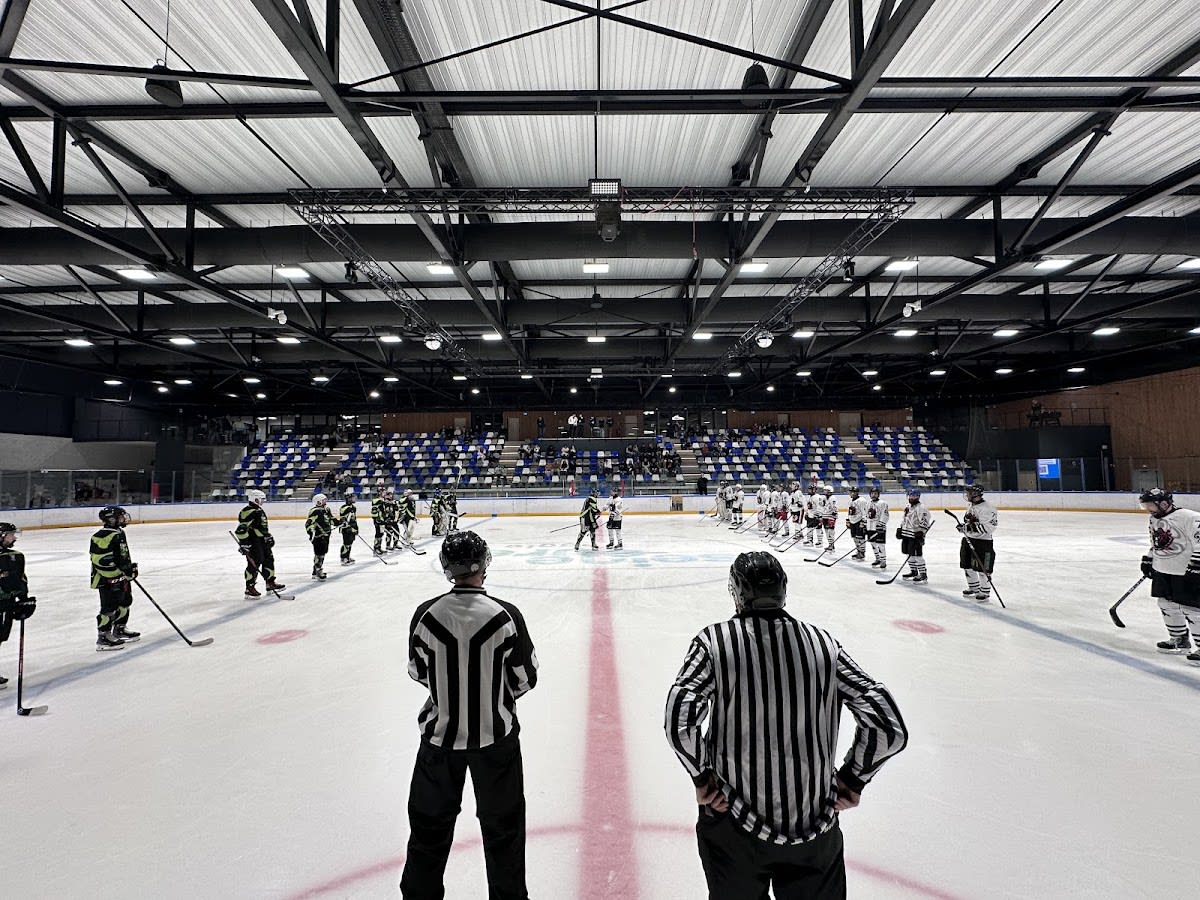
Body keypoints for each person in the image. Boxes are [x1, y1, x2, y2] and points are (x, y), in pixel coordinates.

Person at [664, 551, 908, 899]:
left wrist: (702, 777)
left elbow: (679, 718)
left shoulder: (714, 642)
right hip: (814, 832)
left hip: (734, 826)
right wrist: (854, 778)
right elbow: (887, 723)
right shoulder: (824, 645)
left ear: (736, 592)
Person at [400, 532, 538, 900]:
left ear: (448, 569)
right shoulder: (506, 615)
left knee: (428, 834)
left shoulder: (426, 614)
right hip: (496, 742)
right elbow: (525, 679)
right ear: (484, 564)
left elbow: (417, 672)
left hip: (438, 744)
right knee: (504, 834)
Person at [1138, 487, 1200, 663]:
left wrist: (1197, 564)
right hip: (1164, 570)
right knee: (1166, 604)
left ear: (1164, 503)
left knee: (1192, 609)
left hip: (1186, 572)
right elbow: (1156, 542)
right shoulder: (1154, 519)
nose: (1149, 509)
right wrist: (1149, 559)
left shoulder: (1189, 517)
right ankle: (1179, 640)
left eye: (1151, 505)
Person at [90, 505, 140, 649]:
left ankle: (119, 629)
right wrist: (115, 575)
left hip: (120, 577)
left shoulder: (119, 532)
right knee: (108, 607)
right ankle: (103, 637)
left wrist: (128, 569)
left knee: (125, 601)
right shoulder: (102, 536)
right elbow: (101, 561)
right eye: (121, 516)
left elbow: (121, 556)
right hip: (107, 580)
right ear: (111, 519)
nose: (124, 519)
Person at [0, 522, 37, 686]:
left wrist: (24, 599)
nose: (14, 537)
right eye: (10, 534)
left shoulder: (16, 556)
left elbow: (21, 579)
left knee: (0, 636)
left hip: (6, 604)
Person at [235, 489, 286, 599]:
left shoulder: (257, 510)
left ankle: (270, 583)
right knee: (254, 563)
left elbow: (260, 527)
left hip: (262, 542)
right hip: (254, 542)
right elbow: (241, 529)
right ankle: (249, 587)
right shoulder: (248, 511)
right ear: (256, 499)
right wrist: (244, 543)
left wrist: (267, 536)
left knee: (269, 560)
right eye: (262, 499)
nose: (263, 501)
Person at [958, 485, 999, 603]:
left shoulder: (988, 508)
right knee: (966, 565)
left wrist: (968, 528)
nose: (967, 495)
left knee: (983, 569)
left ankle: (985, 591)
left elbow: (989, 528)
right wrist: (963, 527)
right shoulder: (971, 505)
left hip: (983, 542)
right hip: (968, 539)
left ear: (977, 494)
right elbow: (968, 521)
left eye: (970, 493)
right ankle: (974, 587)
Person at [898, 489, 932, 583]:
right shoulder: (908, 506)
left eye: (914, 496)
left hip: (915, 535)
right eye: (911, 495)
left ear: (918, 496)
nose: (912, 497)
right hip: (906, 534)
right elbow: (904, 518)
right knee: (909, 554)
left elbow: (925, 520)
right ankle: (914, 571)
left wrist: (921, 533)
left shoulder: (921, 507)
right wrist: (901, 528)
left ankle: (923, 574)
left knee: (917, 555)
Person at [305, 493, 335, 581]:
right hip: (319, 536)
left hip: (326, 535)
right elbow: (309, 523)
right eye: (323, 500)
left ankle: (316, 570)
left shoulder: (326, 509)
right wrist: (311, 533)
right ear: (318, 502)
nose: (325, 501)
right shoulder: (315, 511)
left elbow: (331, 520)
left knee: (323, 553)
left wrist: (340, 522)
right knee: (319, 554)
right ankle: (318, 571)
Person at [866, 486, 889, 569]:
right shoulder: (868, 503)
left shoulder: (883, 503)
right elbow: (866, 515)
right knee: (873, 543)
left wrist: (881, 524)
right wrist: (865, 525)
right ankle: (878, 558)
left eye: (875, 493)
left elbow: (885, 515)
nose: (873, 495)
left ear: (878, 494)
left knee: (880, 544)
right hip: (870, 527)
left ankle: (883, 561)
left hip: (879, 528)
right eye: (872, 493)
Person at [846, 487, 868, 561]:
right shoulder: (851, 501)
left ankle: (862, 553)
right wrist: (848, 520)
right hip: (853, 522)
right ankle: (858, 550)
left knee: (860, 538)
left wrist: (864, 521)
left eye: (854, 492)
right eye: (851, 492)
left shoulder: (862, 501)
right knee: (855, 538)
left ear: (857, 492)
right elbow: (850, 512)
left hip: (859, 521)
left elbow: (864, 512)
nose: (852, 493)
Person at [338, 490, 358, 565]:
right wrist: (348, 527)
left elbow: (353, 519)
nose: (354, 499)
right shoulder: (344, 507)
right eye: (353, 497)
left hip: (352, 528)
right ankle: (343, 558)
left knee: (350, 543)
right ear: (348, 499)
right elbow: (343, 518)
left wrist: (356, 528)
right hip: (346, 529)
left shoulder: (353, 507)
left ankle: (347, 556)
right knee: (346, 543)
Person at [821, 485, 838, 551]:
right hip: (825, 516)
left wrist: (834, 513)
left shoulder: (832, 498)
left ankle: (832, 545)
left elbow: (835, 507)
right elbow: (823, 506)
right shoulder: (824, 498)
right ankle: (830, 544)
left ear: (829, 491)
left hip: (830, 517)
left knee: (830, 531)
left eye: (826, 490)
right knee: (826, 531)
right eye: (824, 490)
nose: (824, 491)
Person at [370, 489, 388, 554]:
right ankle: (375, 548)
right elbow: (374, 511)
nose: (385, 494)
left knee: (381, 534)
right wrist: (376, 519)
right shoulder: (376, 500)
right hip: (378, 521)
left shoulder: (382, 501)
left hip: (382, 520)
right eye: (384, 492)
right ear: (380, 493)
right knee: (378, 534)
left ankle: (379, 547)